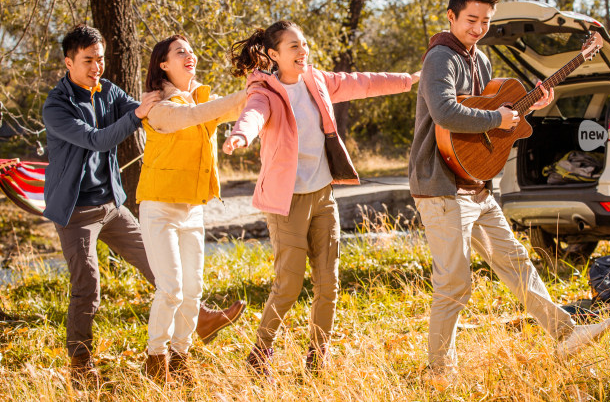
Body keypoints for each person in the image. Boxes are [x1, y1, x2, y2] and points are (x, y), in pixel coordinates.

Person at [408, 0, 610, 378]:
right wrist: (497, 118)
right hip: (441, 187)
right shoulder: (440, 59)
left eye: (486, 21)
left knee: (517, 262)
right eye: (471, 19)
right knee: (455, 283)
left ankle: (566, 334)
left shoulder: (480, 61)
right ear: (451, 16)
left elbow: (491, 126)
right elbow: (446, 114)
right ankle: (438, 372)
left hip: (476, 185)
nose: (478, 28)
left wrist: (527, 109)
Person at [42, 25, 245, 388]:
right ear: (69, 61)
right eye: (88, 60)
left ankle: (195, 324)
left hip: (112, 204)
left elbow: (148, 110)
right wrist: (136, 116)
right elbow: (97, 140)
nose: (96, 67)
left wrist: (153, 108)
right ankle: (80, 362)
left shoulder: (108, 91)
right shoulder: (56, 106)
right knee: (87, 284)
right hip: (75, 210)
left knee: (161, 269)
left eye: (100, 59)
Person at [222, 21, 419, 377]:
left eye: (304, 45)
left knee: (328, 283)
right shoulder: (264, 92)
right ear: (273, 54)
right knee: (289, 284)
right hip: (288, 202)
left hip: (323, 196)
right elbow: (253, 116)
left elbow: (363, 82)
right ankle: (260, 353)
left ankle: (317, 356)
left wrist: (409, 79)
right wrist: (241, 136)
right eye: (293, 46)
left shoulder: (319, 82)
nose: (302, 52)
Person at [135, 35, 248, 382]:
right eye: (180, 51)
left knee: (193, 289)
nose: (190, 55)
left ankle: (181, 358)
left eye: (191, 50)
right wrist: (247, 92)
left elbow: (230, 109)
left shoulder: (202, 98)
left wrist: (264, 85)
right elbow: (196, 115)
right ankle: (156, 360)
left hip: (192, 210)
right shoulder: (157, 107)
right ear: (163, 64)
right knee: (170, 288)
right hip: (159, 208)